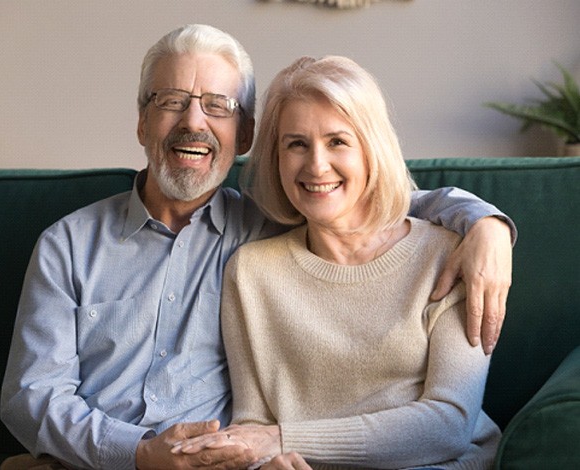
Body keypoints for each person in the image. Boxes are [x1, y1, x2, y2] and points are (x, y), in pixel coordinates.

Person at [0, 25, 512, 470]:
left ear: (243, 133)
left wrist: (486, 223)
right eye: (171, 101)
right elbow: (31, 396)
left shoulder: (268, 224)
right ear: (141, 121)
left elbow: (366, 204)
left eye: (217, 106)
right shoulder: (68, 244)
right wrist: (137, 453)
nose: (193, 122)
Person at [173, 55, 502, 469]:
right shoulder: (250, 272)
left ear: (371, 150)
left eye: (337, 141)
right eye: (296, 144)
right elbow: (252, 427)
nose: (316, 165)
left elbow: (448, 425)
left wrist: (281, 440)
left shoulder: (449, 254)